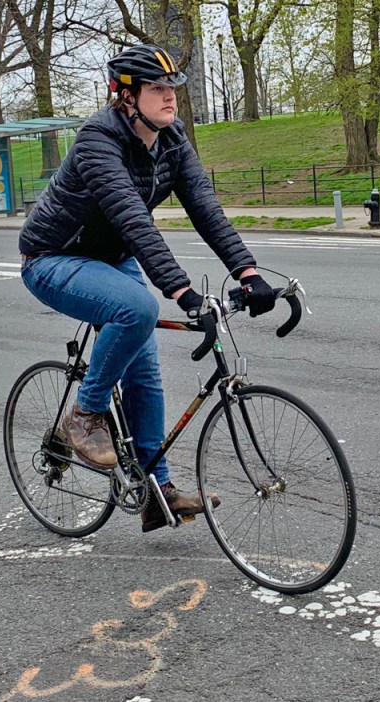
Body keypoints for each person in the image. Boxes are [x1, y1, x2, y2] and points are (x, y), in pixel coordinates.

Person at [18, 44, 275, 529]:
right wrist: (183, 292)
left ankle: (158, 491)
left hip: (111, 260)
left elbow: (206, 210)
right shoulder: (99, 139)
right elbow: (136, 223)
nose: (170, 97)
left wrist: (248, 272)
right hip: (52, 258)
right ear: (125, 96)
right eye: (157, 89)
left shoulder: (173, 139)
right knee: (137, 309)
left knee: (145, 373)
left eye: (173, 88)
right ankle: (84, 414)